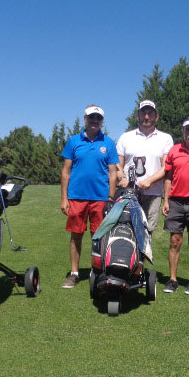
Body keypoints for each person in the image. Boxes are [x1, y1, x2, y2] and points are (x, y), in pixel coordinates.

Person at [61, 104, 119, 288]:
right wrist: (64, 199)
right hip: (77, 197)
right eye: (91, 117)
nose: (95, 121)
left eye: (98, 118)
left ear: (102, 121)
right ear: (85, 119)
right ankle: (74, 273)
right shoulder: (73, 141)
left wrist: (111, 196)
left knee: (99, 236)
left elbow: (113, 173)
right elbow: (65, 172)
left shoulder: (108, 143)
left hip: (100, 198)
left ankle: (99, 271)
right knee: (76, 236)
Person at [161, 117, 189, 295]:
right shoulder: (174, 150)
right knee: (175, 241)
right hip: (176, 201)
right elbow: (168, 177)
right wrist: (165, 200)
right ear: (183, 131)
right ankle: (173, 279)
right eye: (187, 129)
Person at [116, 100, 173, 232]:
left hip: (153, 193)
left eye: (150, 114)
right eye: (143, 113)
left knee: (147, 232)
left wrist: (149, 181)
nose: (146, 117)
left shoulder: (165, 138)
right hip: (128, 192)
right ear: (138, 115)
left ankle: (144, 254)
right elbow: (117, 164)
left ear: (156, 117)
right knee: (126, 229)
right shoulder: (126, 137)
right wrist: (122, 178)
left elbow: (166, 167)